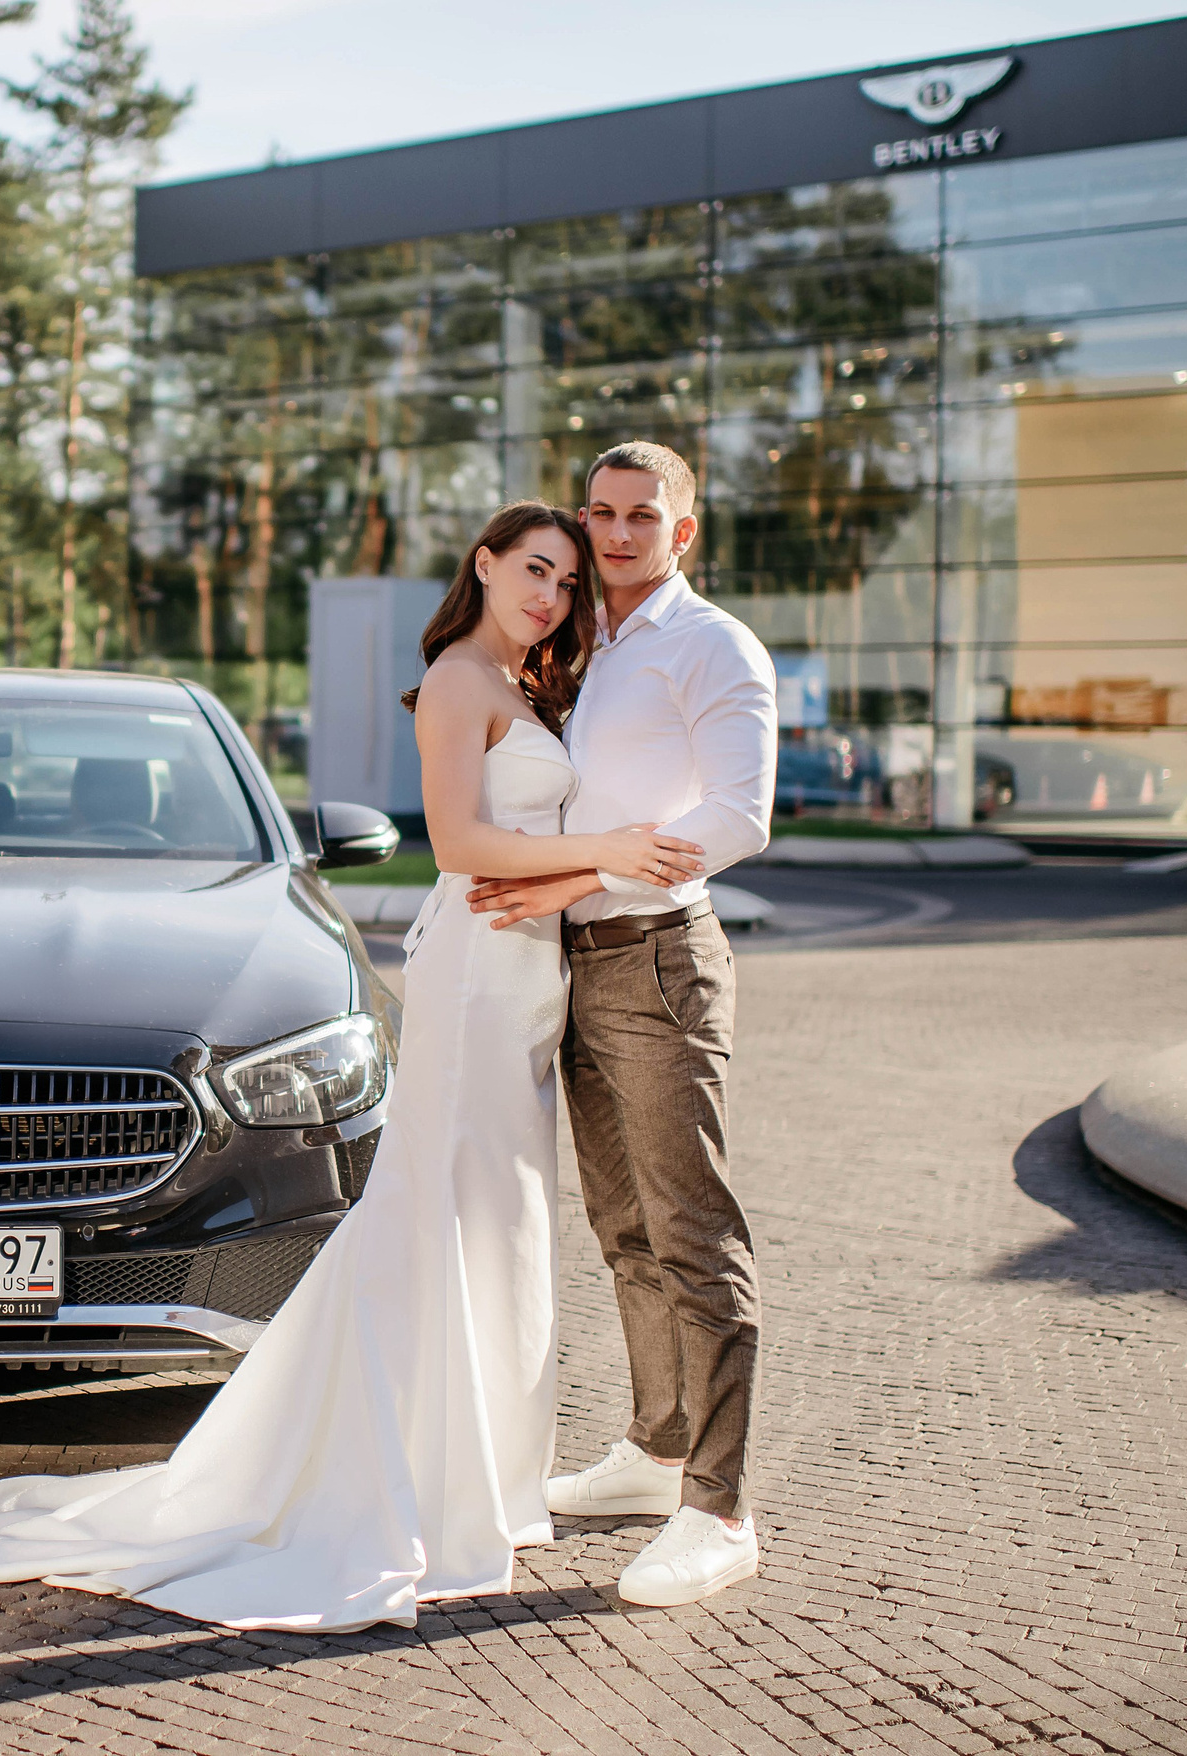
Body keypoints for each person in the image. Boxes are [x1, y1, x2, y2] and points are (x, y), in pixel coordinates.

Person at [0, 501, 707, 1632]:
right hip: (476, 980)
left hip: (526, 983)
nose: (551, 596)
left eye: (569, 583)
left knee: (500, 1223)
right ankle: (421, 1488)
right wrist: (609, 850)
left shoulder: (526, 687)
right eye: (535, 570)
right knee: (450, 1215)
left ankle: (480, 1482)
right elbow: (461, 846)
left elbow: (525, 843)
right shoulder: (457, 682)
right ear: (482, 565)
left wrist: (579, 873)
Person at [468, 441, 778, 1608]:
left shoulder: (712, 645)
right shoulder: (574, 641)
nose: (613, 533)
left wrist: (578, 879)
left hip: (658, 963)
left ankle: (720, 1507)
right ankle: (654, 1452)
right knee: (623, 1228)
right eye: (599, 512)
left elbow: (737, 815)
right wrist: (558, 891)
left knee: (695, 1236)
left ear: (684, 532)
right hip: (574, 968)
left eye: (641, 516)